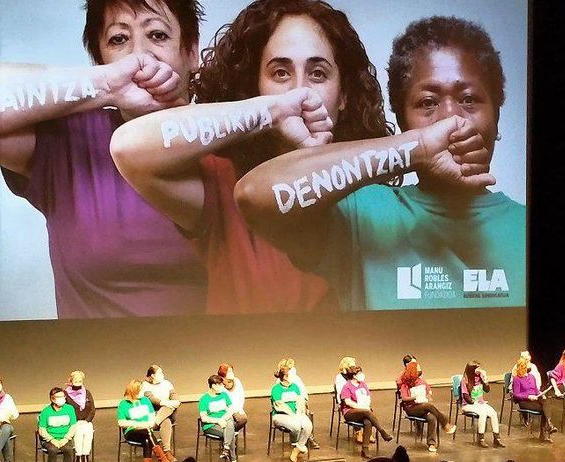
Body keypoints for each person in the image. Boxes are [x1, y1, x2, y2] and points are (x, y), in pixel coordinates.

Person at [110, 0, 396, 315]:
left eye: (317, 74)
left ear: (343, 96)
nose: (299, 91)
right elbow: (128, 146)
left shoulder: (377, 201)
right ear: (255, 86)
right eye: (280, 73)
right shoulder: (223, 187)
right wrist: (273, 109)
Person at [234, 15, 521, 313]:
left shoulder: (526, 228)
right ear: (401, 120)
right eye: (427, 102)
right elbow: (253, 194)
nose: (451, 119)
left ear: (497, 116)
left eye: (470, 99)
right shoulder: (362, 214)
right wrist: (418, 147)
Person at [0, 0, 209, 319]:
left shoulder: (238, 141)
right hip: (96, 363)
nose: (140, 55)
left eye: (157, 35)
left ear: (191, 51)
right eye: (118, 39)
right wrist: (106, 83)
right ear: (100, 60)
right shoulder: (72, 142)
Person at [117, 379, 169, 462]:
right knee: (147, 432)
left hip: (146, 431)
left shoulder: (145, 400)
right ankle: (162, 456)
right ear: (134, 391)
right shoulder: (123, 404)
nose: (142, 392)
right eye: (140, 390)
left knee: (146, 440)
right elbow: (121, 423)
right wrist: (138, 424)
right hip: (131, 432)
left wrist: (148, 424)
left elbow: (151, 417)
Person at [398, 361, 455, 452]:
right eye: (418, 368)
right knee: (429, 406)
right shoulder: (405, 384)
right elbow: (404, 398)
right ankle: (445, 423)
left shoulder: (422, 381)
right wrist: (415, 397)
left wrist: (426, 397)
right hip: (412, 408)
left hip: (423, 406)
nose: (420, 370)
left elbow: (428, 393)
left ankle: (431, 444)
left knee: (432, 417)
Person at [340, 366, 394, 458]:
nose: (362, 375)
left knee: (368, 422)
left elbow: (368, 397)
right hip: (350, 412)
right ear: (354, 376)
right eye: (359, 374)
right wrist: (362, 407)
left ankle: (365, 449)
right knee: (367, 412)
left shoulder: (363, 384)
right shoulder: (347, 386)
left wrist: (366, 405)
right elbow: (348, 402)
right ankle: (382, 432)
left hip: (364, 410)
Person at [271, 366, 314, 462]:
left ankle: (298, 447)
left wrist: (299, 412)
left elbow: (300, 401)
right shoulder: (276, 389)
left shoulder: (295, 386)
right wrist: (292, 415)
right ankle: (294, 443)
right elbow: (279, 405)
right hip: (281, 415)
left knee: (308, 425)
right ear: (285, 377)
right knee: (296, 426)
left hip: (296, 414)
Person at [37, 387, 77, 462]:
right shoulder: (46, 411)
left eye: (63, 396)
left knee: (68, 449)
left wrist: (65, 439)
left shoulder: (70, 409)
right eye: (59, 397)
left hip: (65, 438)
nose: (62, 399)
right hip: (50, 439)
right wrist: (52, 440)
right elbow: (42, 430)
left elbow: (73, 427)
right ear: (52, 399)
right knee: (52, 450)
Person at [198, 375, 241, 462]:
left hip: (225, 422)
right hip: (211, 425)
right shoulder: (204, 399)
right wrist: (218, 421)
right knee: (231, 434)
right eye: (221, 385)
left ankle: (226, 449)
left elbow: (231, 410)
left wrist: (223, 419)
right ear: (213, 385)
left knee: (229, 421)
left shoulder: (224, 395)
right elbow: (204, 418)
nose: (223, 387)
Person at [511, 357, 556, 443]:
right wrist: (528, 396)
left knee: (546, 402)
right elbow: (516, 394)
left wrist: (540, 394)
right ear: (522, 367)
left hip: (535, 399)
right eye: (526, 366)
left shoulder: (531, 376)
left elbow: (535, 389)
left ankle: (549, 425)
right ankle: (545, 431)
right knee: (545, 409)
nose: (529, 367)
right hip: (525, 401)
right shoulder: (517, 379)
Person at [276, 358, 319, 448]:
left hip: (298, 409)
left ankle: (308, 438)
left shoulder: (296, 381)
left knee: (307, 415)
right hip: (285, 413)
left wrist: (303, 405)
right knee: (296, 423)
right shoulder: (278, 384)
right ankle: (296, 442)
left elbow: (302, 394)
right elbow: (279, 403)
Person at [461, 361, 505, 448]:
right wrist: (474, 403)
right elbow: (465, 396)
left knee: (493, 413)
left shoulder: (480, 377)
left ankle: (497, 438)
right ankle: (481, 438)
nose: (479, 370)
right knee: (483, 414)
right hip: (468, 405)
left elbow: (487, 390)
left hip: (480, 404)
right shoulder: (465, 380)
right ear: (472, 370)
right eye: (477, 368)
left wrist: (485, 380)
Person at [141, 365, 179, 462]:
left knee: (169, 407)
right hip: (153, 412)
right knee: (166, 421)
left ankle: (155, 423)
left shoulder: (167, 383)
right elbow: (150, 398)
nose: (162, 375)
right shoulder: (145, 385)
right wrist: (164, 402)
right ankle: (167, 451)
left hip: (168, 411)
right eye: (160, 373)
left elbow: (174, 395)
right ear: (153, 375)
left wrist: (173, 402)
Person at [63, 370, 95, 462]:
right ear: (71, 381)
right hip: (73, 422)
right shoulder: (65, 394)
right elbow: (65, 410)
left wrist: (87, 420)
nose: (78, 383)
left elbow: (92, 409)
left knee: (88, 432)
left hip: (86, 421)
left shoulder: (87, 393)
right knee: (78, 433)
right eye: (76, 381)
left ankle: (85, 456)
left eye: (80, 381)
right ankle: (78, 457)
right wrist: (74, 421)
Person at [217, 364, 248, 431]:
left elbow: (241, 395)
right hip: (225, 408)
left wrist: (239, 408)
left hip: (237, 408)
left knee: (243, 419)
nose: (232, 373)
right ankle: (228, 434)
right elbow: (220, 399)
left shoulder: (237, 381)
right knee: (228, 419)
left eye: (232, 371)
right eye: (229, 371)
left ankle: (230, 432)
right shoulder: (219, 383)